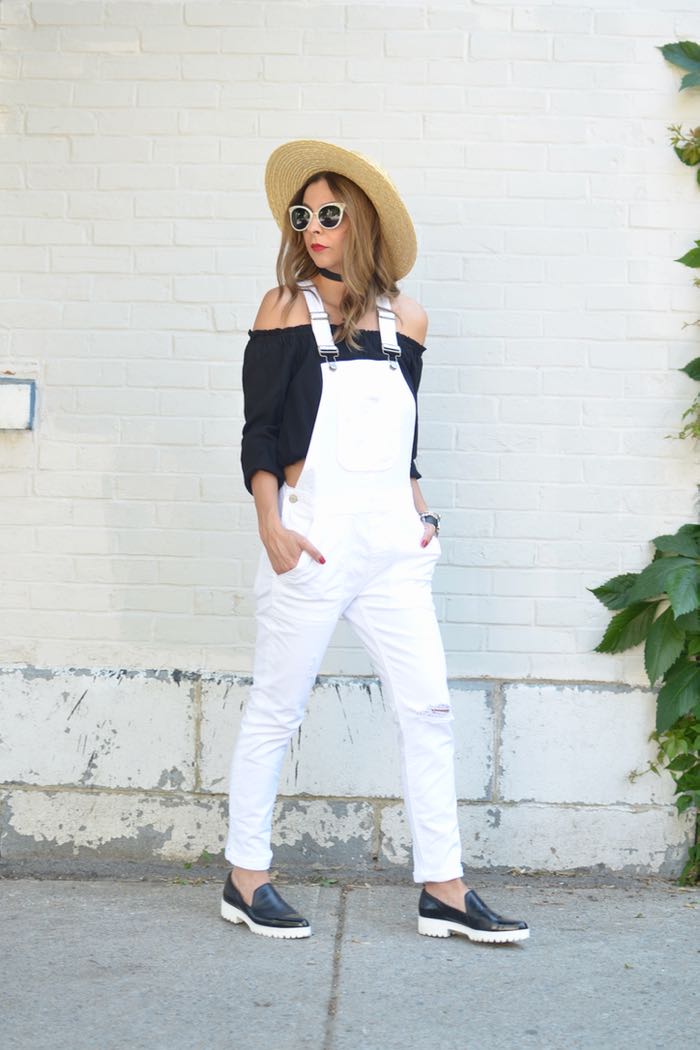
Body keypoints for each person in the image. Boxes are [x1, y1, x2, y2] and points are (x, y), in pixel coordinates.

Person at [221, 140, 529, 945]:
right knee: (276, 708)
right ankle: (246, 877)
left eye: (329, 213)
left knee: (429, 710)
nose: (313, 228)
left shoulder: (408, 320)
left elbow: (402, 441)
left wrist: (424, 524)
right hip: (312, 539)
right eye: (303, 215)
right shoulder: (283, 308)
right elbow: (259, 432)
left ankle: (445, 888)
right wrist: (271, 524)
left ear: (360, 221)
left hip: (394, 544)